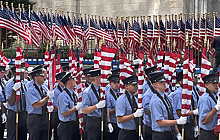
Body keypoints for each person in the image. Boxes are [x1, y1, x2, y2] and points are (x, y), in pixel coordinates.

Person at [149, 72, 186, 140]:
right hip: (160, 135)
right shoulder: (155, 101)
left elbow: (172, 117)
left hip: (170, 133)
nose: (164, 83)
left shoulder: (168, 98)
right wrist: (177, 121)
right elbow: (160, 122)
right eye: (160, 82)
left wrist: (178, 133)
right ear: (154, 84)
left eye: (164, 81)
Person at [82, 69, 110, 140]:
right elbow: (84, 110)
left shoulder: (103, 90)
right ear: (97, 78)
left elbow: (106, 107)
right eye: (102, 77)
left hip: (103, 120)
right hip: (93, 122)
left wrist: (109, 122)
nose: (104, 79)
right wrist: (97, 106)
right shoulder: (87, 92)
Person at [26, 68, 53, 140]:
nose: (44, 77)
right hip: (34, 118)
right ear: (36, 77)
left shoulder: (44, 89)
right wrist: (47, 97)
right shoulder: (31, 90)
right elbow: (36, 105)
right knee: (35, 137)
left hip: (44, 117)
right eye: (42, 76)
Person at [171, 70, 199, 140]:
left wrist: (196, 125)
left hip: (191, 123)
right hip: (182, 125)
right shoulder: (178, 94)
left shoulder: (191, 92)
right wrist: (193, 112)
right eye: (187, 79)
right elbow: (178, 113)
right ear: (181, 81)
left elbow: (194, 108)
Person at [115, 75, 143, 140]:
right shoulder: (121, 100)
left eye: (136, 84)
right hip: (126, 133)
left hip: (135, 132)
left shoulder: (135, 99)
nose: (136, 87)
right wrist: (134, 115)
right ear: (126, 86)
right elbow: (119, 119)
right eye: (133, 85)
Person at [5, 66, 28, 140]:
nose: (22, 74)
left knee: (23, 134)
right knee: (13, 135)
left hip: (23, 113)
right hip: (14, 113)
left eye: (23, 73)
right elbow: (11, 102)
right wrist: (14, 91)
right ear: (15, 73)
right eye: (21, 73)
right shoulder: (9, 85)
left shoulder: (25, 83)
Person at [57, 72, 81, 140]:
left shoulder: (75, 94)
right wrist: (75, 108)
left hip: (74, 124)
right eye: (73, 79)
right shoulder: (63, 96)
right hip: (66, 126)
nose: (75, 80)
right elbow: (64, 113)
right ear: (69, 82)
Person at [198, 73, 220, 140]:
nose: (216, 85)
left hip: (215, 132)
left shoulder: (216, 96)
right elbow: (204, 121)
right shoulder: (205, 99)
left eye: (217, 83)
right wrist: (216, 108)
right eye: (213, 83)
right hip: (207, 134)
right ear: (206, 85)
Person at [52, 72, 66, 140]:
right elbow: (55, 107)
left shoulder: (67, 90)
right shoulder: (56, 92)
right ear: (58, 81)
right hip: (58, 117)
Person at [106, 74, 120, 139]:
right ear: (110, 84)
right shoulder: (108, 95)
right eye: (114, 83)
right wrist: (118, 108)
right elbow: (108, 111)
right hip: (113, 122)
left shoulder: (120, 93)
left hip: (120, 122)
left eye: (118, 82)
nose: (117, 84)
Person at [0, 66, 7, 140]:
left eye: (3, 72)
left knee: (1, 130)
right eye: (1, 72)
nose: (2, 74)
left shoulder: (3, 82)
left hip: (3, 108)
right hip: (1, 108)